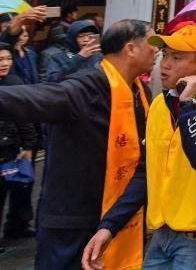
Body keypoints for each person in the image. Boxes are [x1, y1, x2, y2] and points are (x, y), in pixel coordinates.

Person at [0, 19, 156, 270]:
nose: (156, 50)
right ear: (130, 49)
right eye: (152, 43)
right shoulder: (87, 87)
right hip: (72, 221)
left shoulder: (141, 93)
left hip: (114, 218)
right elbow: (36, 97)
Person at [118, 24, 196, 269]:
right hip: (161, 231)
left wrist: (189, 105)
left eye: (177, 57)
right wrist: (109, 226)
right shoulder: (161, 103)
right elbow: (146, 169)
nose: (166, 65)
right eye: (165, 56)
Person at [0, 43, 38, 241]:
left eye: (8, 59)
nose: (5, 63)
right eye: (1, 59)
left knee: (16, 190)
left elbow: (25, 117)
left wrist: (29, 146)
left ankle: (16, 226)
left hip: (11, 150)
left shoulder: (14, 81)